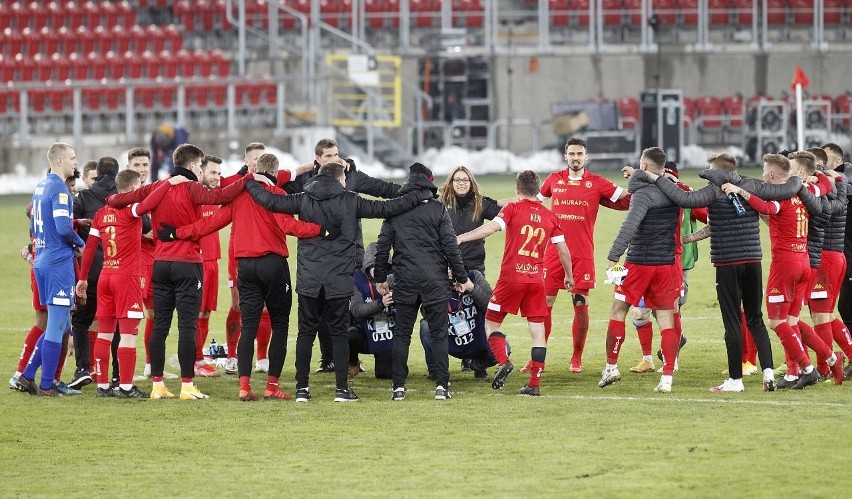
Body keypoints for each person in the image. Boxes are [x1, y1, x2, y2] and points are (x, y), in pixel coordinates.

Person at [244, 162, 433, 402]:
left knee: (305, 334)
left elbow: (270, 201)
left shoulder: (303, 198)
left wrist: (249, 181)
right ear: (339, 178)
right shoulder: (351, 200)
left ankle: (302, 389)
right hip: (339, 279)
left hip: (309, 278)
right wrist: (421, 194)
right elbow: (389, 208)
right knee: (339, 334)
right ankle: (341, 389)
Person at [158, 153, 322, 401]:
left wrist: (175, 233)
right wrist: (323, 230)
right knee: (280, 324)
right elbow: (291, 227)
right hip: (273, 264)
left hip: (245, 267)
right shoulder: (276, 195)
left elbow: (209, 224)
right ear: (276, 174)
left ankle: (244, 386)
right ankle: (271, 385)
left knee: (249, 325)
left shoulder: (239, 197)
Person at [106, 144, 260, 400]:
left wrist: (114, 198)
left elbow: (114, 200)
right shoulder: (192, 188)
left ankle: (157, 385)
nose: (201, 170)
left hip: (160, 264)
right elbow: (221, 197)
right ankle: (187, 385)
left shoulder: (157, 186)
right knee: (188, 326)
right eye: (200, 166)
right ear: (192, 166)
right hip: (188, 264)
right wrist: (249, 176)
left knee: (160, 326)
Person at [651, 152, 806, 392]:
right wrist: (688, 238)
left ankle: (735, 380)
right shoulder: (752, 185)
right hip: (753, 261)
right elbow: (719, 224)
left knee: (732, 322)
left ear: (717, 170)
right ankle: (768, 374)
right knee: (755, 319)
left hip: (727, 264)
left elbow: (683, 199)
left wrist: (656, 177)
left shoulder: (713, 189)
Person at [721, 153, 843, 389]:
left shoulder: (782, 196)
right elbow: (826, 186)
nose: (763, 174)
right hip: (804, 262)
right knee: (792, 321)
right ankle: (829, 357)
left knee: (776, 322)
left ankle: (807, 369)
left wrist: (742, 192)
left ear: (773, 174)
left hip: (785, 265)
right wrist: (819, 176)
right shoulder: (804, 193)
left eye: (765, 170)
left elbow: (766, 206)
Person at [283, 138, 403, 374]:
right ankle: (329, 359)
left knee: (353, 307)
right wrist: (301, 169)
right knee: (321, 313)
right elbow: (278, 188)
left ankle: (353, 361)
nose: (334, 159)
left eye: (336, 155)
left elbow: (383, 188)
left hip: (351, 254)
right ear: (316, 159)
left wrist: (412, 191)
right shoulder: (305, 182)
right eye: (328, 156)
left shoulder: (352, 177)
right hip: (317, 258)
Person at [457, 170, 573, 396]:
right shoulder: (550, 216)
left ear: (517, 189)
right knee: (538, 332)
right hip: (537, 281)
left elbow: (489, 228)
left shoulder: (512, 208)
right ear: (538, 190)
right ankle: (534, 384)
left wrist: (462, 237)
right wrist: (569, 276)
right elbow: (564, 250)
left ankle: (504, 361)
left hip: (511, 278)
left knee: (492, 324)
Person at [76, 170, 185, 398]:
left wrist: (83, 279)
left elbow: (88, 249)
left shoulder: (100, 213)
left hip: (106, 275)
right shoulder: (130, 211)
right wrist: (168, 183)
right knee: (127, 335)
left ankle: (103, 386)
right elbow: (149, 202)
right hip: (126, 278)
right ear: (134, 186)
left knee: (105, 333)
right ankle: (125, 387)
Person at [373, 163, 468, 401]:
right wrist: (461, 277)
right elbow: (450, 246)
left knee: (402, 334)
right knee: (438, 333)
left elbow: (383, 247)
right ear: (429, 181)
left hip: (405, 279)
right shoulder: (437, 209)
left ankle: (398, 388)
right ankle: (441, 386)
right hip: (434, 280)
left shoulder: (395, 210)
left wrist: (380, 278)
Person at [536, 137, 630, 374]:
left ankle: (576, 358)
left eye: (579, 154)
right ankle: (538, 357)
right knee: (544, 304)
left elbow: (627, 199)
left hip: (582, 254)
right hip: (553, 252)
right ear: (565, 156)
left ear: (586, 157)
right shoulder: (553, 180)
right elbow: (534, 203)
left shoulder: (598, 183)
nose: (575, 158)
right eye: (571, 154)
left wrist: (643, 182)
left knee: (580, 303)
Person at [598, 147, 681, 393]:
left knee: (619, 309)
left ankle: (611, 367)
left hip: (639, 263)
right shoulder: (674, 191)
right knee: (666, 319)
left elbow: (630, 226)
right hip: (666, 263)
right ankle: (666, 378)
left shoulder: (643, 194)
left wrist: (614, 257)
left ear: (644, 166)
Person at [15, 143, 86, 396]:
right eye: (72, 158)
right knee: (57, 325)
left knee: (62, 321)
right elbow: (64, 227)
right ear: (59, 161)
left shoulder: (41, 186)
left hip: (42, 259)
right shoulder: (60, 189)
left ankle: (26, 376)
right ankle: (47, 385)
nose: (75, 162)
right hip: (57, 262)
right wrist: (81, 244)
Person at [625, 162, 703, 374]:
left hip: (675, 264)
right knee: (639, 313)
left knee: (670, 311)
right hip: (644, 261)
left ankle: (672, 360)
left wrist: (688, 238)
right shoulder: (645, 194)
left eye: (670, 180)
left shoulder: (685, 198)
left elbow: (712, 218)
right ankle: (647, 359)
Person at [124, 147, 177, 380]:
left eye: (145, 165)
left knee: (156, 316)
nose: (142, 169)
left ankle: (150, 365)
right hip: (135, 264)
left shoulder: (156, 190)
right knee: (129, 318)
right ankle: (121, 371)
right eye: (137, 165)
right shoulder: (125, 194)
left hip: (158, 260)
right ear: (128, 168)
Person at [68, 156, 120, 390]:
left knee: (81, 319)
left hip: (91, 269)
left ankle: (83, 369)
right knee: (118, 323)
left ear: (97, 173)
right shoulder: (124, 196)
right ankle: (119, 376)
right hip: (119, 269)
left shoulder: (84, 196)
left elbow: (68, 225)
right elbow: (146, 226)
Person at [419, 268, 504, 380]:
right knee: (425, 326)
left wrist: (471, 288)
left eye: (451, 266)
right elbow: (426, 313)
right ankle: (436, 370)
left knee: (504, 348)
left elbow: (494, 307)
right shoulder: (435, 281)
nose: (449, 270)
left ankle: (478, 366)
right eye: (445, 267)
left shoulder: (474, 276)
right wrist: (440, 286)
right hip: (449, 340)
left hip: (477, 339)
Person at [193, 155, 224, 378]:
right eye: (213, 173)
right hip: (196, 261)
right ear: (201, 172)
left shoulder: (215, 195)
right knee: (194, 314)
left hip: (212, 261)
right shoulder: (192, 194)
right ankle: (194, 360)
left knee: (205, 313)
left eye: (219, 173)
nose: (217, 177)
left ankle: (199, 359)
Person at [348, 242, 395, 380]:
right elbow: (356, 310)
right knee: (351, 335)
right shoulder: (356, 278)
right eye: (374, 267)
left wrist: (395, 297)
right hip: (364, 330)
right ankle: (352, 361)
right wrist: (380, 303)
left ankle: (395, 360)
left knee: (385, 374)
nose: (378, 270)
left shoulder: (395, 275)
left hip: (388, 331)